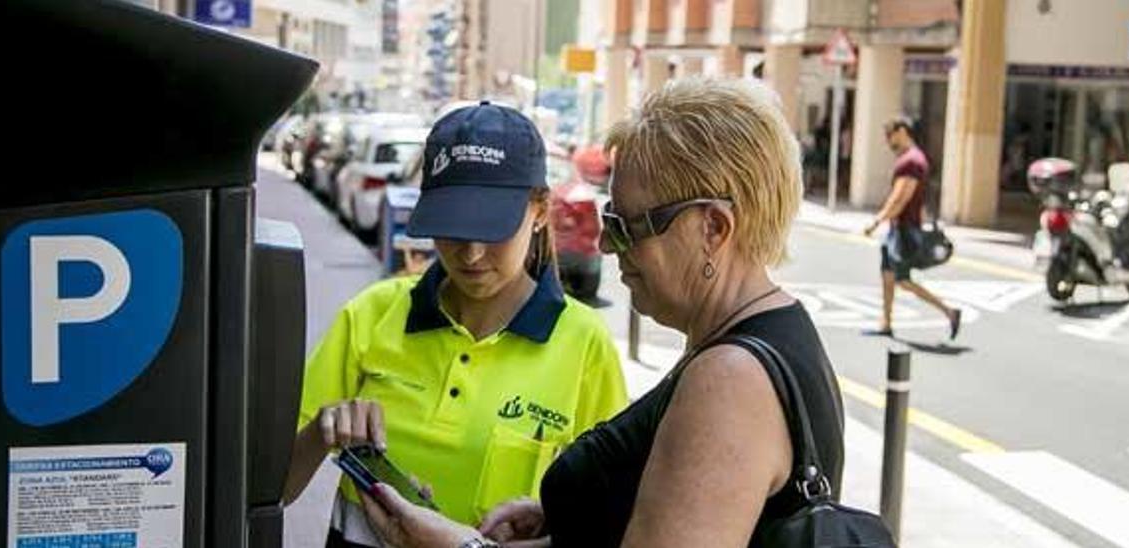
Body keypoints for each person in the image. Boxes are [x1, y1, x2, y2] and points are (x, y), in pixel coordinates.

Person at [346, 78, 848, 548]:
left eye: (629, 225)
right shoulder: (770, 341)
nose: (606, 244)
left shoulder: (731, 382)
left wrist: (461, 546)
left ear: (713, 228)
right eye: (609, 220)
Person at [283, 101, 629, 547]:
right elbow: (273, 487)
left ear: (540, 209)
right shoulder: (370, 315)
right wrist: (323, 429)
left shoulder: (585, 346)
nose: (470, 253)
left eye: (491, 229)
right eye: (452, 227)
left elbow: (615, 515)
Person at [864, 116, 961, 339]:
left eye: (890, 135)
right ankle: (886, 323)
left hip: (904, 230)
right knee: (887, 275)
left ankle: (950, 312)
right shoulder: (913, 159)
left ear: (902, 131)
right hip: (898, 229)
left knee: (902, 279)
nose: (888, 141)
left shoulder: (911, 161)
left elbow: (900, 198)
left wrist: (876, 221)